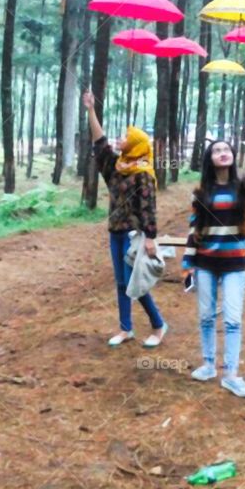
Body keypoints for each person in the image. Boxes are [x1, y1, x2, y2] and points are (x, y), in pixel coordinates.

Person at [181, 104, 245, 398]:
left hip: (234, 264)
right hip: (206, 263)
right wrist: (188, 265)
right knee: (206, 316)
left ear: (231, 157)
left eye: (226, 149)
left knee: (233, 319)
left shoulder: (242, 187)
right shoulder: (201, 193)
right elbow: (194, 230)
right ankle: (208, 364)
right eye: (216, 149)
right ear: (210, 159)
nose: (222, 152)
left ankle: (231, 373)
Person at [84, 90, 168, 348]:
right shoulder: (117, 166)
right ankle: (126, 328)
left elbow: (148, 207)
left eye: (126, 138)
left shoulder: (142, 172)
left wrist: (150, 238)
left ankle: (158, 324)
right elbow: (100, 143)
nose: (121, 140)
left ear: (136, 145)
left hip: (134, 235)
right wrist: (90, 109)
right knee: (122, 282)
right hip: (116, 233)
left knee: (135, 283)